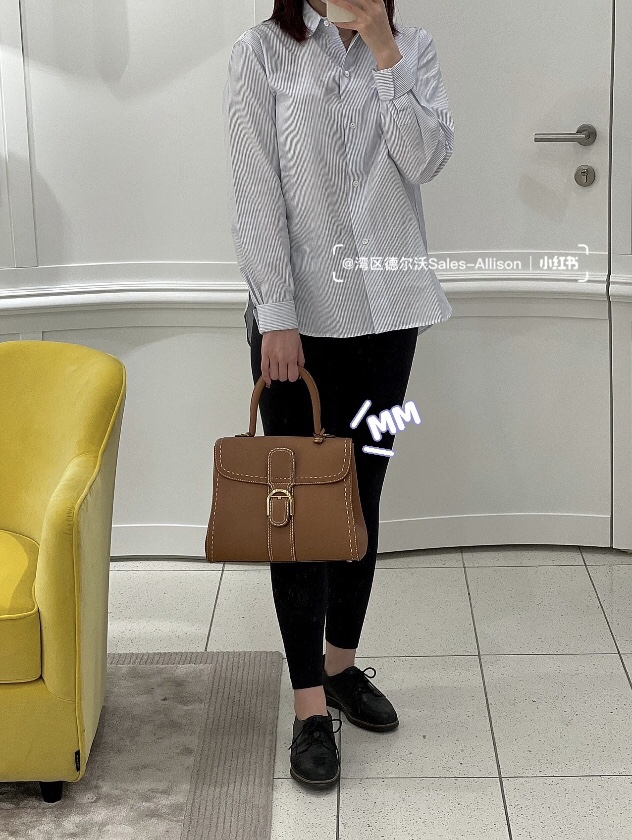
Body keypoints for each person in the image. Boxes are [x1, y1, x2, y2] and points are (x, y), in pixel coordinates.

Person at [223, 0, 454, 788]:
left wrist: (385, 50)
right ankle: (308, 708)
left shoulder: (413, 48)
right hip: (301, 329)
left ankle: (342, 666)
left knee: (361, 502)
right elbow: (256, 190)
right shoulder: (262, 53)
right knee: (297, 515)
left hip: (390, 321)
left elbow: (425, 161)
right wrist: (276, 315)